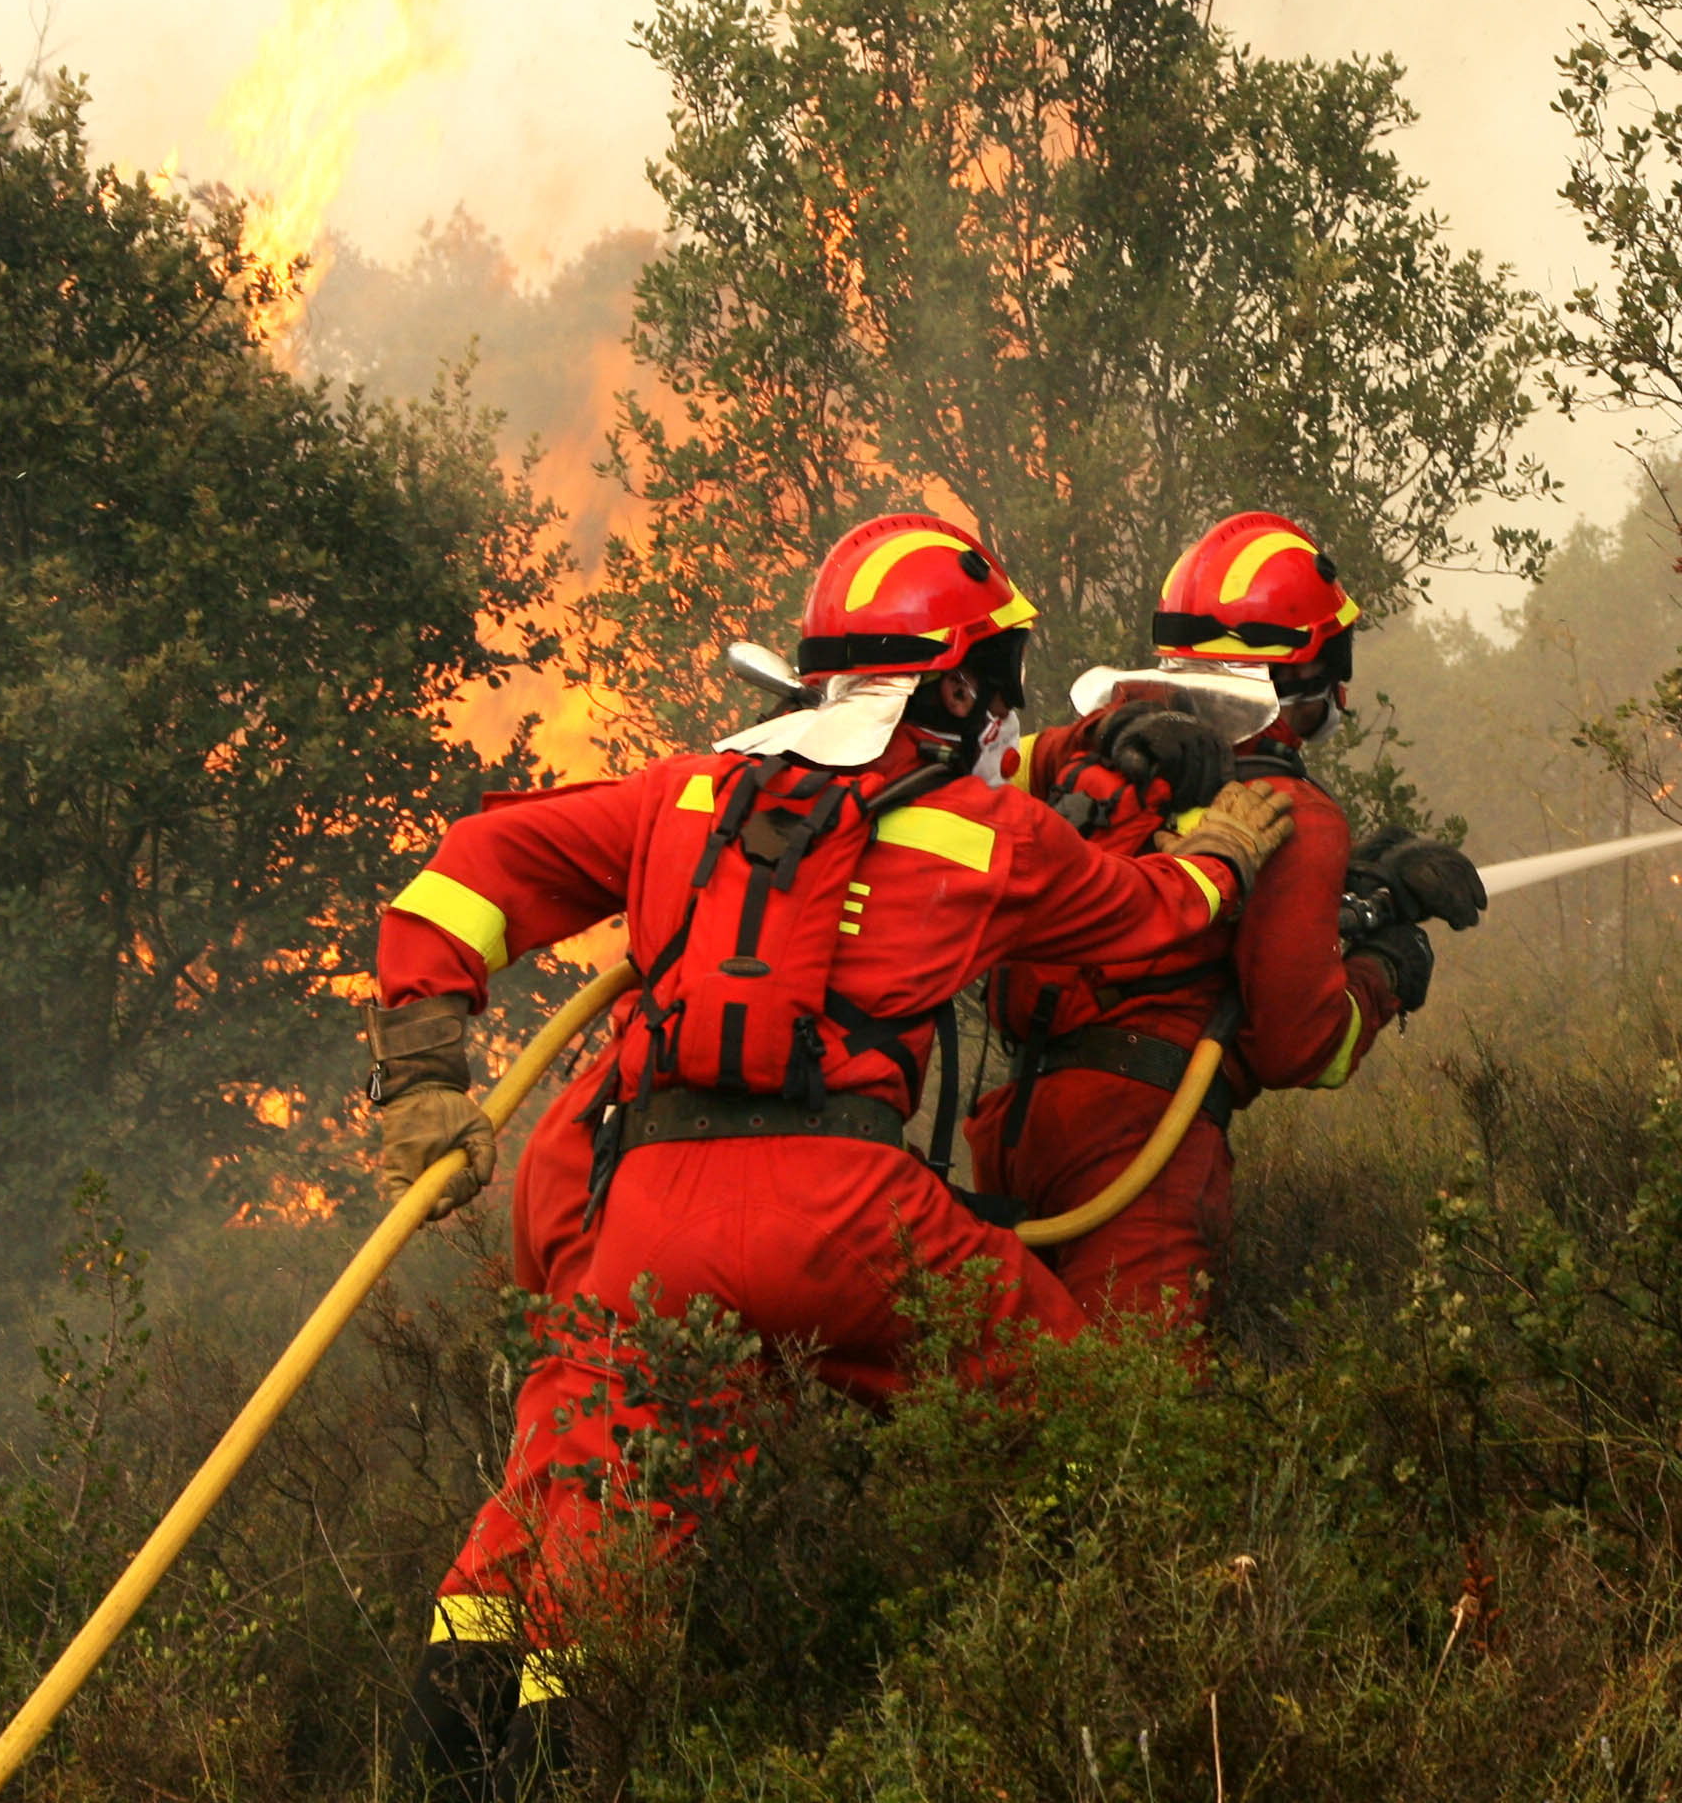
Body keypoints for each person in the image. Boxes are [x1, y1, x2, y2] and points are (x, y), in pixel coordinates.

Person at [368, 512, 1292, 1794]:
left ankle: (461, 1771)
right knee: (1087, 1409)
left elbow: (471, 867)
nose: (1005, 708)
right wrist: (1223, 852)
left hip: (647, 1216)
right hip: (850, 1214)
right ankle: (1147, 1696)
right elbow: (1148, 919)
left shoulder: (686, 793)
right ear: (954, 687)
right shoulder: (987, 832)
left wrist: (423, 1070)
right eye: (997, 678)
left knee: (583, 1504)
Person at [963, 511, 1485, 1332]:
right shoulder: (1293, 811)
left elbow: (974, 783)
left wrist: (1353, 895)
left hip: (1015, 1128)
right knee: (1136, 1397)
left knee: (1011, 1381)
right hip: (1143, 1151)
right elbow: (1301, 1046)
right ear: (1303, 673)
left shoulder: (1103, 750)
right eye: (1334, 666)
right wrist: (1387, 969)